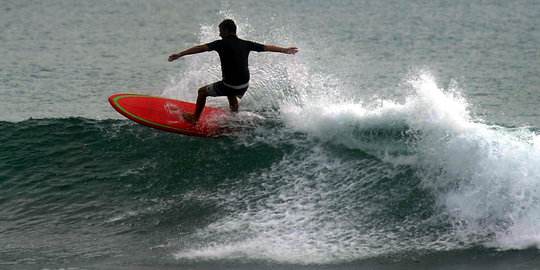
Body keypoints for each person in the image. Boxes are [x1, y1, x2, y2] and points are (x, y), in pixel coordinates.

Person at [168, 19, 298, 125]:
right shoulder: (245, 43)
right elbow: (266, 47)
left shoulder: (221, 43)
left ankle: (195, 118)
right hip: (244, 85)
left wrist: (180, 54)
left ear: (226, 30)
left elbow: (201, 48)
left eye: (220, 31)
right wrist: (285, 50)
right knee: (230, 91)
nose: (219, 34)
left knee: (202, 92)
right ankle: (234, 116)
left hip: (231, 85)